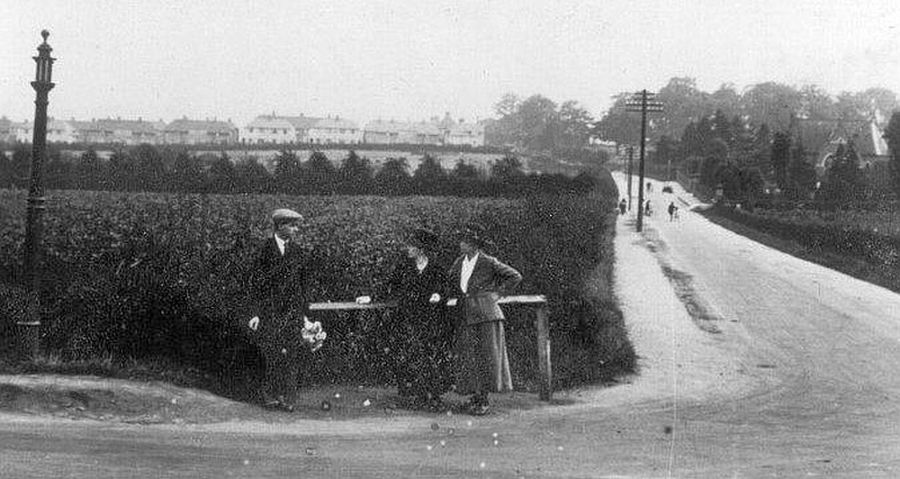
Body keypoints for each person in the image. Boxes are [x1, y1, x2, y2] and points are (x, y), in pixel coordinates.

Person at [360, 228, 454, 411]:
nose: (408, 249)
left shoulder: (436, 267)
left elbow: (447, 287)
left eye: (412, 245)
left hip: (431, 320)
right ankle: (417, 395)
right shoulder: (404, 267)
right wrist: (371, 298)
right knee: (411, 356)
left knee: (432, 357)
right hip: (409, 318)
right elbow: (389, 286)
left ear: (421, 249)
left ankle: (434, 396)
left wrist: (439, 295)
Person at [245, 208, 321, 412]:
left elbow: (305, 285)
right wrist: (254, 313)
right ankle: (270, 395)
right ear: (280, 226)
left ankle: (288, 398)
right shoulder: (264, 250)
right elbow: (254, 284)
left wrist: (305, 314)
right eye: (293, 225)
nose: (296, 229)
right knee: (272, 354)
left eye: (296, 226)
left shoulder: (298, 252)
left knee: (291, 355)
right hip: (270, 312)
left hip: (293, 313)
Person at [449, 224, 522, 416]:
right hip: (466, 314)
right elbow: (449, 282)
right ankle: (475, 397)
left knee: (486, 356)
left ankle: (483, 399)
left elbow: (514, 276)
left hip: (486, 315)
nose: (461, 244)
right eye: (462, 240)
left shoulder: (488, 262)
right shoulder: (459, 262)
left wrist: (497, 293)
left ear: (474, 244)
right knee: (470, 357)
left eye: (465, 241)